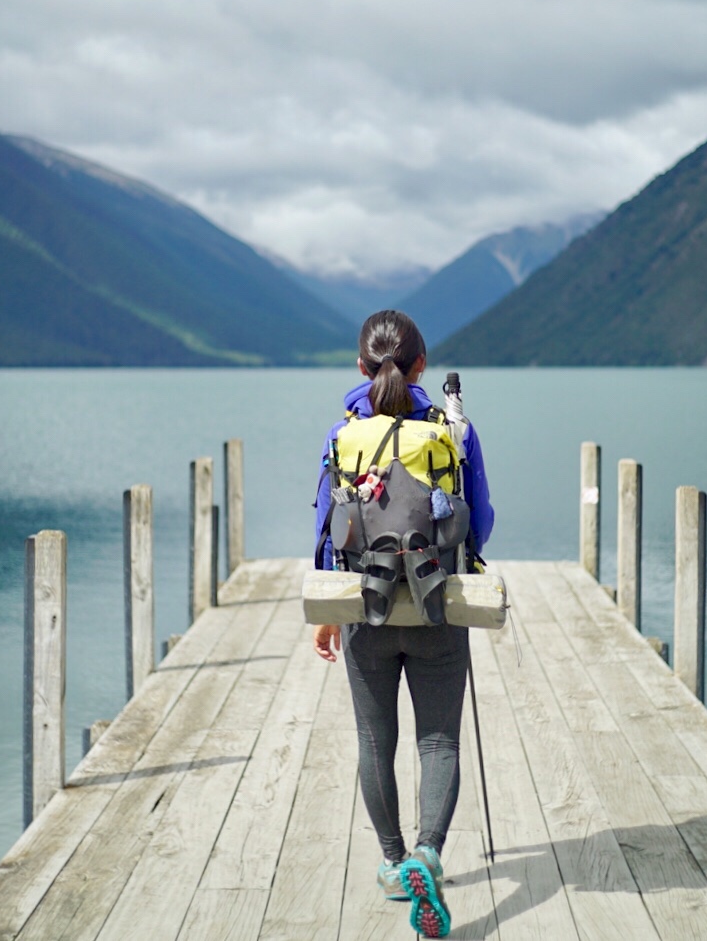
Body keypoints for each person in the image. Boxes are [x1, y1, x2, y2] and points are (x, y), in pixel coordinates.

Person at [311, 309, 493, 940]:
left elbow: (325, 529)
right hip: (437, 602)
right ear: (421, 366)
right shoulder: (452, 431)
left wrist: (330, 616)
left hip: (367, 605)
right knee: (438, 742)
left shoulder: (343, 434)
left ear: (361, 368)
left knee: (373, 741)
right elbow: (482, 521)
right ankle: (429, 854)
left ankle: (393, 865)